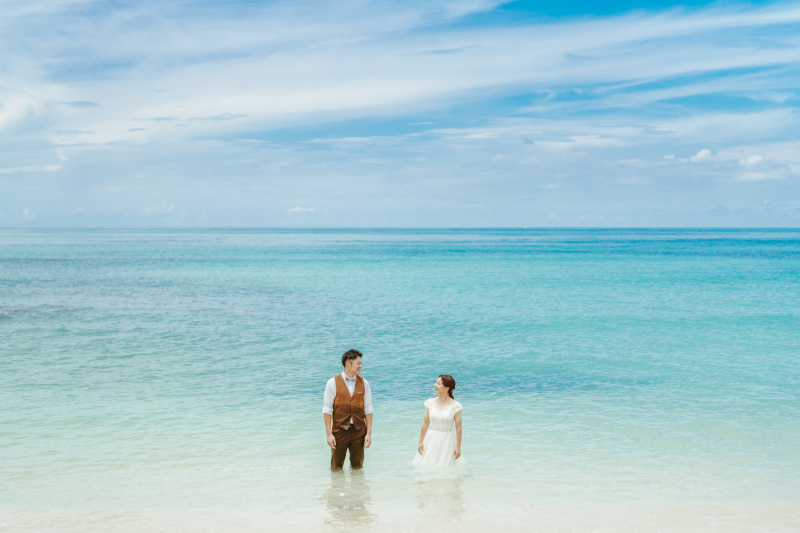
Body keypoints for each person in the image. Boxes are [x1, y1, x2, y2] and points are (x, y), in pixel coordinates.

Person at [323, 349, 373, 469]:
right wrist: (329, 434)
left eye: (361, 363)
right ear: (348, 364)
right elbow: (327, 409)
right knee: (336, 466)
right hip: (339, 431)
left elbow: (368, 409)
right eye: (358, 363)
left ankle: (357, 487)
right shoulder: (332, 383)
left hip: (359, 431)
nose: (361, 366)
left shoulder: (365, 383)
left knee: (358, 467)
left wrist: (369, 434)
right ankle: (337, 487)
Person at [413, 374, 463, 468]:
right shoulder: (430, 403)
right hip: (431, 439)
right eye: (436, 382)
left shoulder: (456, 406)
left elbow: (458, 427)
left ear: (446, 388)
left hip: (448, 440)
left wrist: (458, 447)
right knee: (427, 467)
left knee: (446, 468)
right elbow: (425, 423)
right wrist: (420, 441)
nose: (435, 385)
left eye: (438, 383)